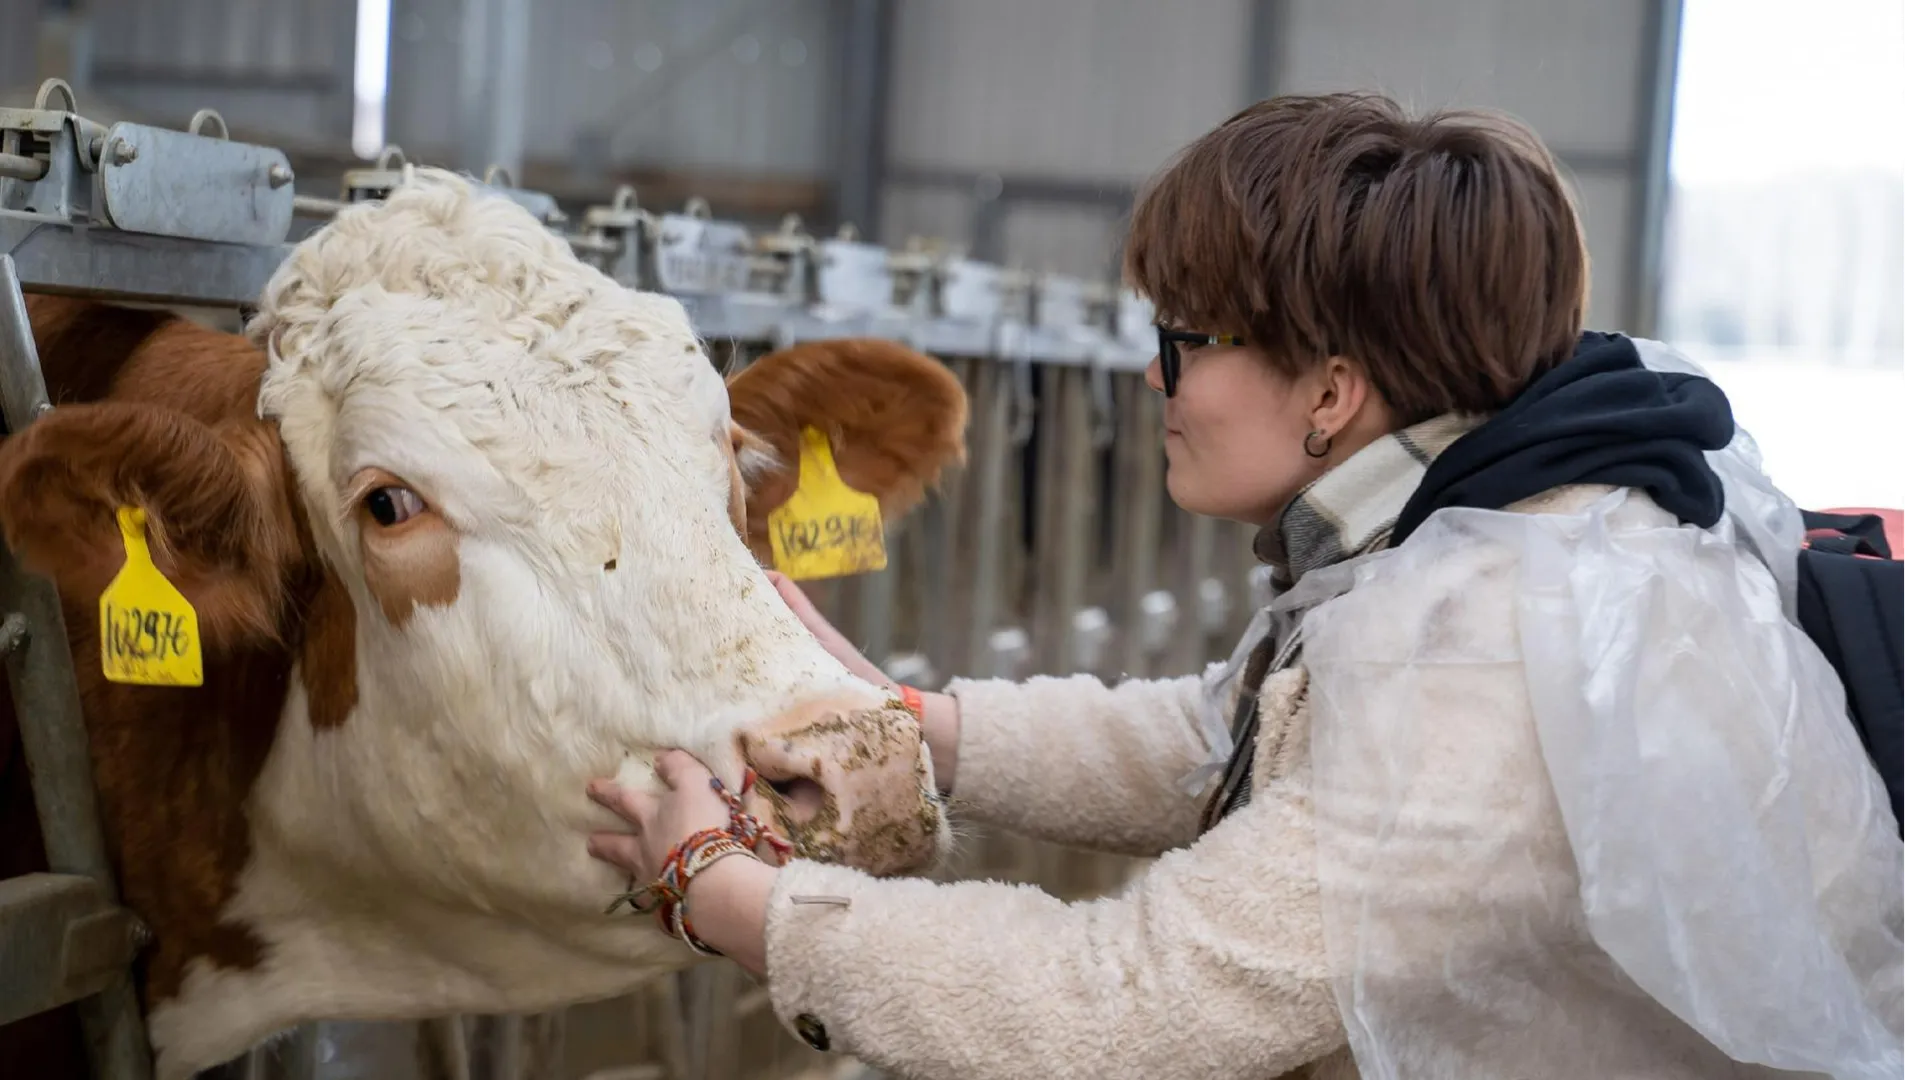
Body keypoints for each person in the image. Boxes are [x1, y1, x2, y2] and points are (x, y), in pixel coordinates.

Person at [582, 92, 1912, 1080]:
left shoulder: (1485, 657)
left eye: (1184, 339)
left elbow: (1126, 1008)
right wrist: (926, 728)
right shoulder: (1505, 530)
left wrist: (735, 901)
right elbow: (1217, 742)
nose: (1155, 378)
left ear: (1331, 390)